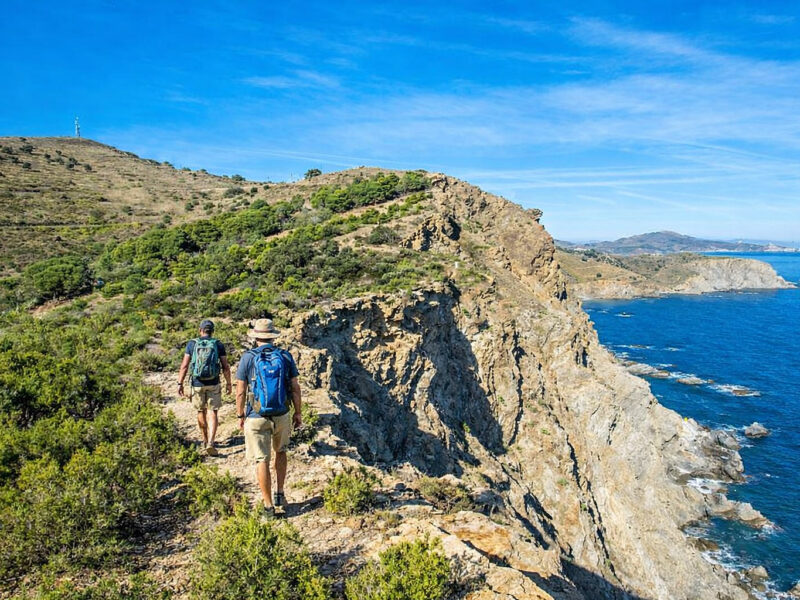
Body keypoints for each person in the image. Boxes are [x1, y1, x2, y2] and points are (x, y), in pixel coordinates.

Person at [236, 319, 302, 516]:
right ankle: (280, 493)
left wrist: (240, 414)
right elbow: (295, 388)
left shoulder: (248, 358)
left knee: (261, 460)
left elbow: (240, 391)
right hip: (281, 413)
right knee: (281, 452)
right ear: (273, 337)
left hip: (256, 415)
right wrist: (298, 413)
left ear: (255, 337)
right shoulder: (285, 356)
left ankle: (268, 506)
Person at [178, 319, 232, 456]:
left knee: (200, 411)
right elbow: (225, 366)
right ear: (212, 331)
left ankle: (205, 439)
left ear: (200, 330)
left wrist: (180, 383)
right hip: (214, 383)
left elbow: (184, 366)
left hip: (197, 383)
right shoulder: (218, 344)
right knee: (213, 411)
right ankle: (211, 442)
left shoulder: (192, 344)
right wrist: (229, 383)